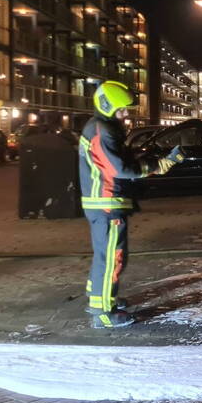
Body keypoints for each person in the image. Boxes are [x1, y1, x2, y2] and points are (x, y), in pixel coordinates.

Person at [79, 81, 183, 329]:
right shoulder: (103, 131)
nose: (126, 114)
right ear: (107, 106)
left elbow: (117, 161)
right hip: (107, 203)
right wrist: (159, 165)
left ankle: (98, 298)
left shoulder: (98, 127)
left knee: (105, 255)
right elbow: (121, 169)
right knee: (113, 258)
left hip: (101, 202)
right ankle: (104, 313)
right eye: (122, 110)